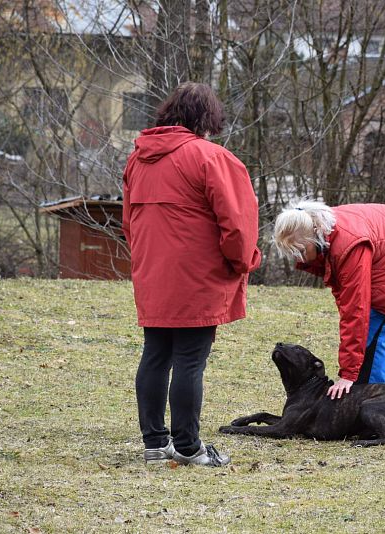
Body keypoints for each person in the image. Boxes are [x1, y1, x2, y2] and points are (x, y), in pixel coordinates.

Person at [122, 82, 261, 467]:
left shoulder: (138, 159)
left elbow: (129, 222)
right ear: (207, 118)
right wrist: (243, 261)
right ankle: (187, 446)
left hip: (152, 272)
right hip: (198, 276)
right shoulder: (211, 157)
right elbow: (237, 225)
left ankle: (155, 443)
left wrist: (145, 261)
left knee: (155, 355)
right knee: (189, 360)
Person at [273, 200, 385, 399]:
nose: (299, 258)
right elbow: (348, 301)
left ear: (314, 234)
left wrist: (349, 375)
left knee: (372, 338)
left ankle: (369, 403)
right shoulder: (326, 232)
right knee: (377, 337)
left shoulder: (348, 246)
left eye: (301, 250)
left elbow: (356, 311)